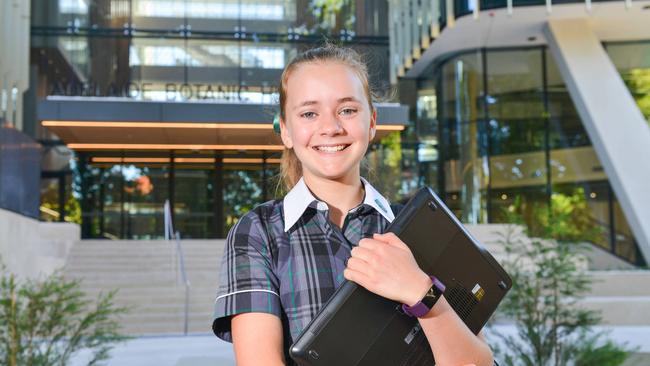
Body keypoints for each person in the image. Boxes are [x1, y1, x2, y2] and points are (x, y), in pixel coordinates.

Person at [212, 44, 494, 366]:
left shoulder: (422, 227)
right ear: (286, 131)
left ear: (372, 121)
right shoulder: (259, 232)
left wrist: (420, 291)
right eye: (309, 113)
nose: (331, 127)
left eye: (347, 110)